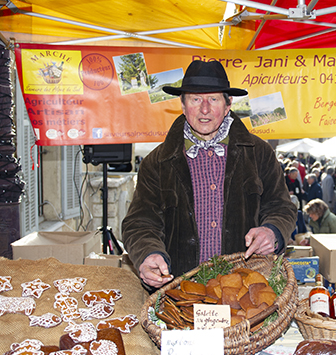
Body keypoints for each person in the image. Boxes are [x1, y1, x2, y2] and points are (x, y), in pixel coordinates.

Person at [121, 60, 297, 289]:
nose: (204, 109)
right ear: (183, 105)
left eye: (213, 99)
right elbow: (139, 222)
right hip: (180, 293)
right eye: (196, 99)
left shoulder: (258, 153)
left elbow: (281, 207)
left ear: (227, 104)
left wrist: (272, 231)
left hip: (245, 291)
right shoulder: (157, 162)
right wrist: (148, 253)